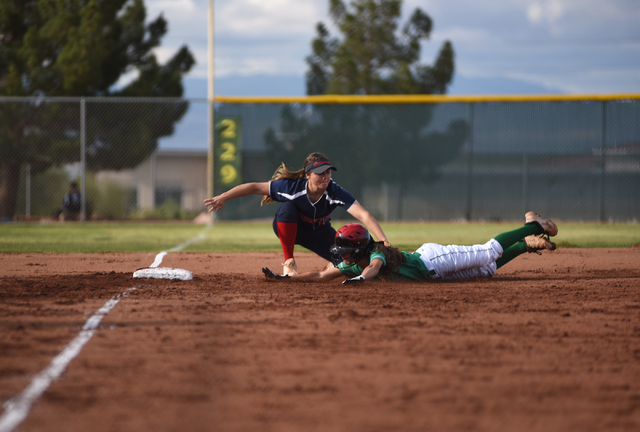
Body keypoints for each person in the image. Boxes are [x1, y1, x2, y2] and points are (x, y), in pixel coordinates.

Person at [204, 152, 390, 275]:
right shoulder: (291, 187)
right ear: (307, 175)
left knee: (354, 265)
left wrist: (383, 241)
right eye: (319, 173)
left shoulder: (334, 191)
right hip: (290, 228)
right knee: (287, 208)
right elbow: (253, 187)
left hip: (319, 233)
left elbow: (364, 215)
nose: (325, 176)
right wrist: (224, 197)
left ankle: (331, 264)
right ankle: (289, 263)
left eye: (328, 172)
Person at [262, 211, 558, 284]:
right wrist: (286, 280)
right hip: (433, 278)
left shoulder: (374, 253)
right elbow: (318, 276)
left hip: (434, 260)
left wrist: (361, 279)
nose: (342, 256)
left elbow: (375, 268)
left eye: (346, 250)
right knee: (486, 270)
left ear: (359, 247)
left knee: (488, 250)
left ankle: (534, 224)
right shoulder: (352, 262)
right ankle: (524, 246)